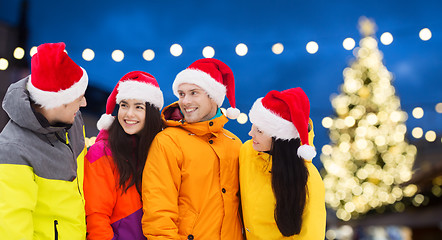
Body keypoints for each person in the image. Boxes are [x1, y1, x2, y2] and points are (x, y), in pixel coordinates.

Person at [141, 58, 243, 240]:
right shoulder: (168, 141)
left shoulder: (234, 143)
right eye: (181, 94)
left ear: (213, 96)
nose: (185, 101)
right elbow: (158, 211)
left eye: (194, 93)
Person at [0, 42, 88, 239]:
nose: (84, 103)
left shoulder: (72, 121)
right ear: (58, 102)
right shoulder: (12, 151)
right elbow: (13, 230)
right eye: (79, 97)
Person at [83, 71, 164, 239]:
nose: (129, 114)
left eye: (138, 107)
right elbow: (95, 216)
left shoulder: (161, 150)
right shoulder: (102, 152)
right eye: (124, 105)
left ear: (152, 112)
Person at [239, 88, 326, 240]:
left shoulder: (308, 177)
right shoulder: (247, 151)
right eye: (253, 126)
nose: (250, 134)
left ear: (280, 139)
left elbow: (311, 234)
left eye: (259, 131)